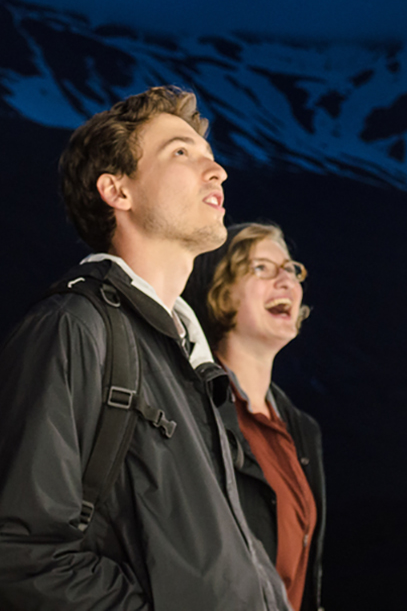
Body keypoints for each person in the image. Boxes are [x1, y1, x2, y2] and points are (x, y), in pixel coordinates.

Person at [0, 86, 291, 611]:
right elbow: (22, 556)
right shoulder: (74, 330)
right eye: (180, 152)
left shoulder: (193, 357)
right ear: (117, 191)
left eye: (210, 156)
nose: (217, 170)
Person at [184, 223, 325, 611]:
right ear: (219, 291)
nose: (285, 281)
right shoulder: (194, 406)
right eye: (261, 268)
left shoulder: (301, 429)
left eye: (290, 269)